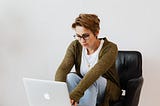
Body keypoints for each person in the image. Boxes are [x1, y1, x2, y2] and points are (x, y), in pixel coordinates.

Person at [55, 13, 121, 106]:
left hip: (108, 91)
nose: (82, 40)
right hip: (86, 89)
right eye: (78, 36)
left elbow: (95, 72)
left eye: (85, 35)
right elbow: (63, 68)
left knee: (92, 81)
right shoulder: (75, 46)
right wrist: (59, 93)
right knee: (70, 77)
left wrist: (75, 95)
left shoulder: (110, 48)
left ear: (96, 32)